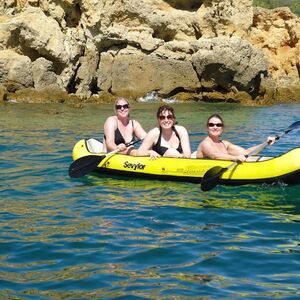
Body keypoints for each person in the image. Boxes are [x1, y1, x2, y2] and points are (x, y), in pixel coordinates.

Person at [196, 113, 276, 161]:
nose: (215, 127)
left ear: (222, 128)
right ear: (207, 127)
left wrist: (265, 143)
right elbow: (215, 156)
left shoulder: (225, 144)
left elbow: (247, 153)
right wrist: (235, 158)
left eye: (218, 125)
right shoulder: (205, 143)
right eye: (211, 125)